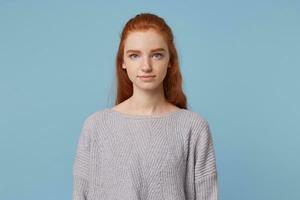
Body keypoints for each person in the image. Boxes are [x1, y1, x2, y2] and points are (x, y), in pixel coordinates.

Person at [72, 12, 219, 200]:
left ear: (170, 61)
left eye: (157, 55)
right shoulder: (96, 127)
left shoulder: (193, 127)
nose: (146, 66)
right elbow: (81, 194)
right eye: (134, 56)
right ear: (123, 62)